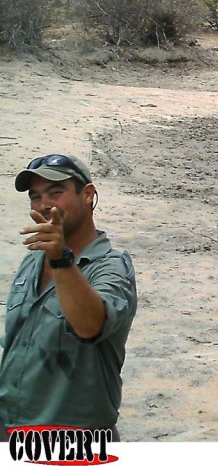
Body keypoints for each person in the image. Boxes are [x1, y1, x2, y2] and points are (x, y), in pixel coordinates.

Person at [0, 154, 137, 436]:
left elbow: (90, 325)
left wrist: (61, 259)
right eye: (35, 197)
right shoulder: (34, 260)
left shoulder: (111, 267)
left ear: (88, 195)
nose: (44, 205)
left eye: (56, 192)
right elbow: (18, 343)